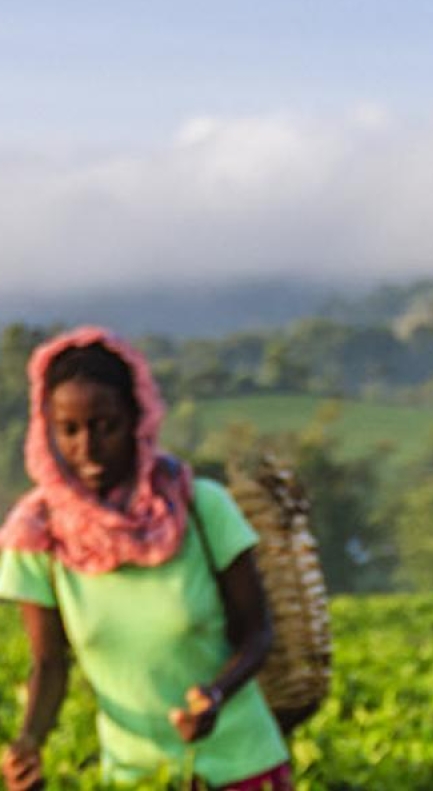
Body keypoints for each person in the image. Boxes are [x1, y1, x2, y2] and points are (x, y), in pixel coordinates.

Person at [0, 326, 291, 790]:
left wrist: (217, 694)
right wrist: (29, 743)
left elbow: (258, 633)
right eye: (68, 430)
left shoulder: (201, 507)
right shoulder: (38, 537)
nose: (87, 449)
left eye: (105, 426)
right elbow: (50, 663)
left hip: (239, 765)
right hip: (134, 775)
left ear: (138, 420)